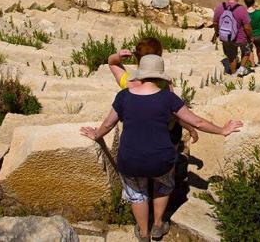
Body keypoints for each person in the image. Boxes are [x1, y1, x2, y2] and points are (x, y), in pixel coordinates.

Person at [81, 55, 243, 242]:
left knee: (137, 195)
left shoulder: (123, 96)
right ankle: (158, 225)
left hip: (130, 160)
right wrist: (222, 130)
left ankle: (143, 233)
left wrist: (96, 135)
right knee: (163, 186)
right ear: (160, 77)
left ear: (140, 75)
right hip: (161, 160)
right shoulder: (168, 98)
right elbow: (196, 121)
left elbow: (108, 124)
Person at [107, 38, 198, 146]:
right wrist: (190, 128)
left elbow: (112, 63)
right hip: (165, 134)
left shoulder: (128, 82)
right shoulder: (164, 84)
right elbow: (175, 113)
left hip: (138, 136)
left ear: (138, 58)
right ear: (158, 58)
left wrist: (118, 56)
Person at [213, 0, 253, 76]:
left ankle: (233, 74)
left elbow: (215, 23)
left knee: (231, 56)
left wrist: (218, 32)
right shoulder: (241, 9)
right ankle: (241, 69)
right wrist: (251, 37)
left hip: (226, 37)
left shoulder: (220, 7)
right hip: (240, 38)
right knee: (247, 51)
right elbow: (247, 27)